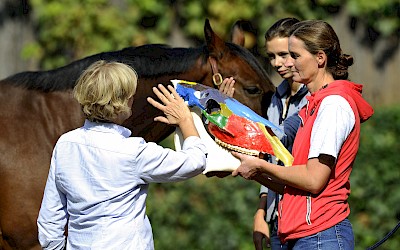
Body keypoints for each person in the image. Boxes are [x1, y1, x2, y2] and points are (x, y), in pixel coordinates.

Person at [231, 20, 374, 249]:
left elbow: (313, 180)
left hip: (321, 236)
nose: (287, 63)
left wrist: (262, 167)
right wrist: (251, 170)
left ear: (320, 58)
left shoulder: (333, 106)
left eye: (294, 56)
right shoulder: (313, 106)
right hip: (304, 236)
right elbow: (293, 185)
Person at [37, 60, 207, 250]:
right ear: (126, 102)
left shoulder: (65, 145)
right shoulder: (133, 152)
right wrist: (185, 120)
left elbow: (49, 223)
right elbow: (195, 161)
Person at [252, 17, 309, 250]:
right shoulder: (275, 100)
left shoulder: (315, 99)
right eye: (271, 56)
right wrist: (261, 212)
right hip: (277, 222)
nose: (277, 63)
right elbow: (269, 158)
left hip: (306, 220)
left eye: (284, 54)